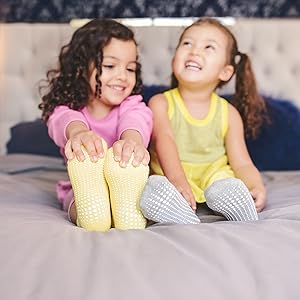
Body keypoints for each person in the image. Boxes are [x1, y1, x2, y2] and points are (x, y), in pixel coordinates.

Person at [140, 17, 268, 225]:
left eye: (209, 47)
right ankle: (182, 215)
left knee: (224, 185)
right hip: (171, 176)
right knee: (152, 188)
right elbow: (165, 140)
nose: (194, 51)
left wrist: (256, 186)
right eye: (187, 43)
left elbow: (242, 162)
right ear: (174, 59)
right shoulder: (160, 103)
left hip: (213, 176)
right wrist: (177, 181)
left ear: (225, 72)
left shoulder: (228, 113)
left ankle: (238, 205)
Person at [39, 19, 153, 232]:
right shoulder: (69, 108)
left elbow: (136, 120)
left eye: (130, 69)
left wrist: (131, 142)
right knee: (74, 198)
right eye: (110, 66)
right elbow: (62, 120)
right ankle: (89, 214)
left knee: (140, 184)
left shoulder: (131, 105)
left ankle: (127, 205)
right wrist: (79, 133)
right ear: (82, 68)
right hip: (85, 183)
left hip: (126, 179)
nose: (122, 76)